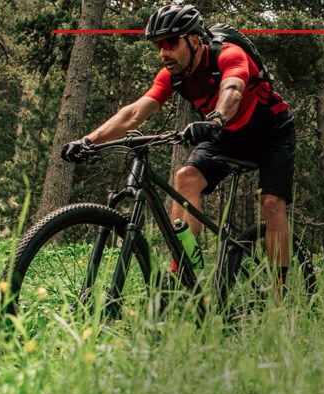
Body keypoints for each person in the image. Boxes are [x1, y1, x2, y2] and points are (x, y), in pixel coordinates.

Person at [60, 3, 295, 290]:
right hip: (227, 135)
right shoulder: (172, 76)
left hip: (272, 131)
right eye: (158, 45)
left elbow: (232, 89)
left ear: (194, 40)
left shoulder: (229, 55)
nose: (163, 52)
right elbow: (133, 113)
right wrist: (88, 141)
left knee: (271, 204)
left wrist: (216, 118)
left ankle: (281, 295)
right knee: (186, 178)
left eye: (170, 43)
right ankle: (184, 275)